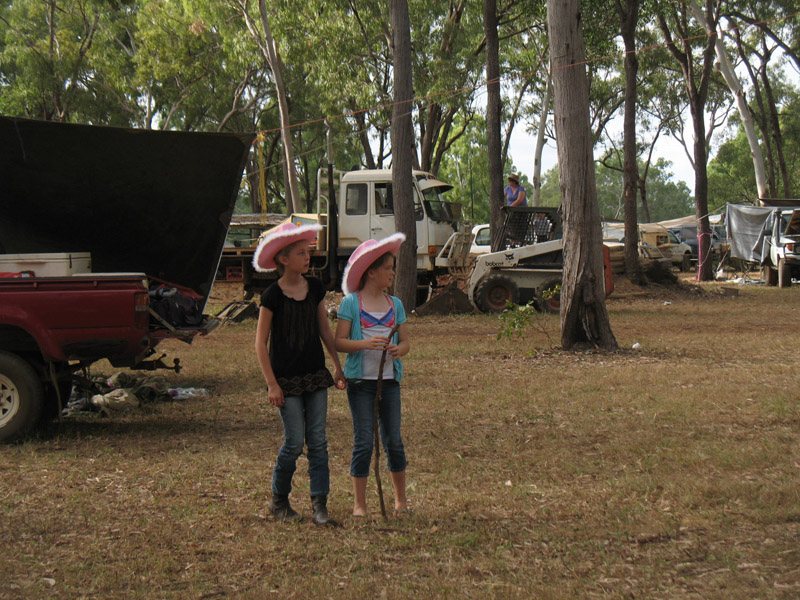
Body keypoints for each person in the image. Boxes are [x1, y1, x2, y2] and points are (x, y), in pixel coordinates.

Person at [252, 221, 346, 526]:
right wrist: (272, 385)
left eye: (308, 252)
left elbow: (324, 330)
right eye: (301, 253)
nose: (308, 257)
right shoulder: (271, 296)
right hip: (285, 381)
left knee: (317, 442)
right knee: (293, 442)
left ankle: (320, 506)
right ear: (283, 259)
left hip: (315, 376)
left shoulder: (315, 288)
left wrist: (337, 365)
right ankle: (279, 501)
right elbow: (260, 343)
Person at [335, 233, 411, 518]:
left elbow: (406, 342)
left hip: (389, 383)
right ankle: (360, 504)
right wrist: (365, 344)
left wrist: (399, 350)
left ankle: (401, 501)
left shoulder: (396, 305)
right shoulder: (351, 304)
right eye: (388, 268)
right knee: (364, 441)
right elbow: (339, 342)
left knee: (394, 441)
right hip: (360, 385)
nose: (392, 273)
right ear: (371, 272)